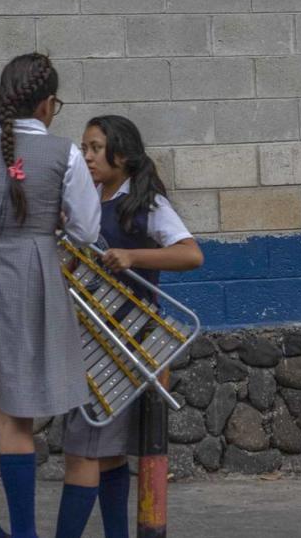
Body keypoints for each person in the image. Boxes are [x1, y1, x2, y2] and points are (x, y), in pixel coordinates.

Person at [0, 53, 101, 538]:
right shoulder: (65, 153)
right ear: (48, 103)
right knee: (17, 413)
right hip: (31, 283)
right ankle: (25, 533)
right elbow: (87, 230)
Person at [55, 115, 204, 538]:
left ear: (121, 154)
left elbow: (191, 254)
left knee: (85, 452)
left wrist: (134, 257)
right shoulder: (86, 200)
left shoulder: (146, 205)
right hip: (86, 337)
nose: (87, 156)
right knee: (110, 456)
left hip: (123, 342)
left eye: (96, 148)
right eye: (84, 148)